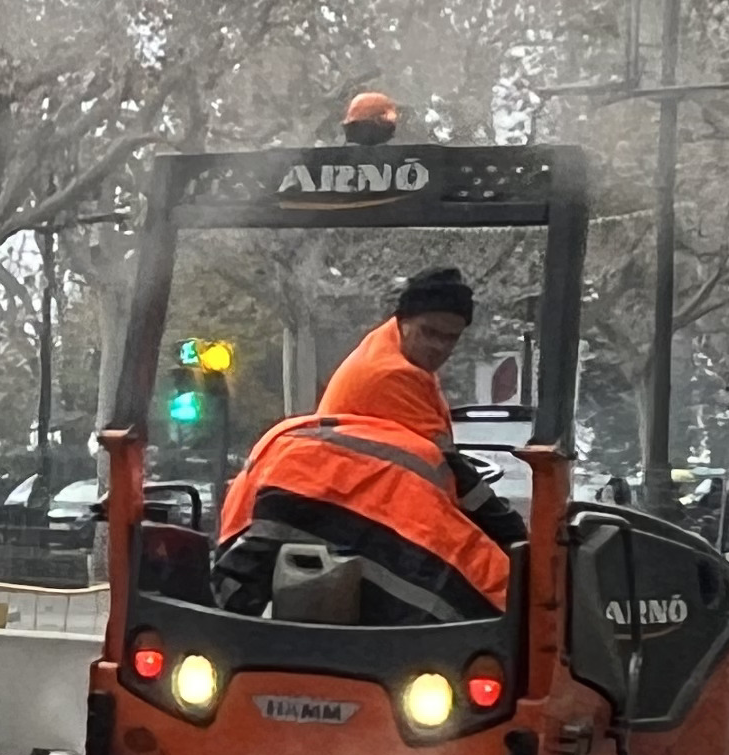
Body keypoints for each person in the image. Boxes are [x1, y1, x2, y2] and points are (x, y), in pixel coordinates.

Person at [212, 267, 521, 623]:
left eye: (450, 338)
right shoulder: (391, 375)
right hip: (349, 498)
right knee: (481, 583)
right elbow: (448, 469)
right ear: (402, 321)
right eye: (429, 332)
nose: (439, 346)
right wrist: (511, 532)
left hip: (351, 491)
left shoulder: (392, 354)